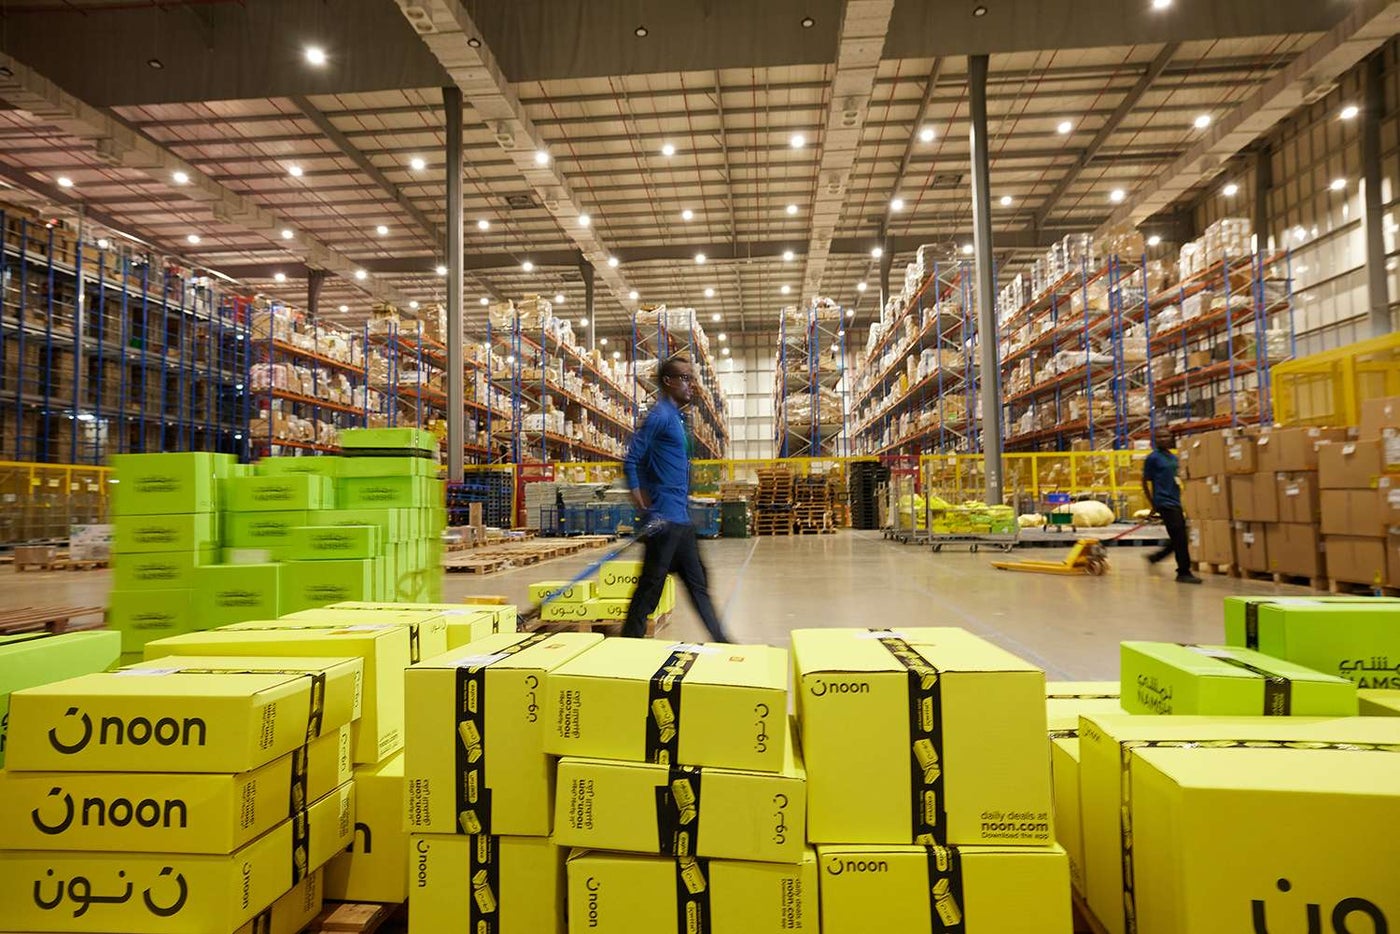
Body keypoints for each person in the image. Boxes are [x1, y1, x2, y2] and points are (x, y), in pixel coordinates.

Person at [621, 356, 732, 642]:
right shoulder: (659, 416)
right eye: (685, 378)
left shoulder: (676, 418)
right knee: (649, 590)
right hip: (664, 521)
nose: (691, 385)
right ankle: (625, 645)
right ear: (668, 382)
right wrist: (645, 504)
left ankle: (724, 643)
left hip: (680, 520)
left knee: (699, 586)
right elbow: (632, 460)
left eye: (692, 378)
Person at [1143, 431, 1202, 584]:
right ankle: (1183, 572)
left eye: (1166, 436)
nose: (1163, 439)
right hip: (1164, 502)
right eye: (1160, 437)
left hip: (1175, 501)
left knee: (1180, 536)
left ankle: (1156, 556)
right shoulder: (1153, 458)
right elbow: (1145, 482)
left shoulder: (1173, 457)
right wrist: (1153, 503)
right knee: (1180, 537)